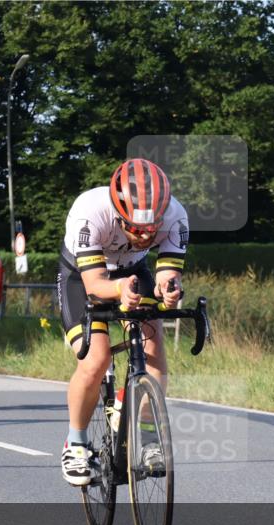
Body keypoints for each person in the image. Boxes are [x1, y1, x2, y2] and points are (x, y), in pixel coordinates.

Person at [57, 158, 188, 485]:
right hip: (83, 277)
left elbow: (167, 273)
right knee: (96, 358)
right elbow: (95, 285)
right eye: (134, 228)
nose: (144, 236)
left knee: (154, 352)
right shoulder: (90, 210)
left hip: (133, 271)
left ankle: (145, 436)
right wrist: (117, 290)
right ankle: (75, 443)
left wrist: (168, 291)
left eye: (151, 229)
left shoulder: (175, 216)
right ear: (117, 213)